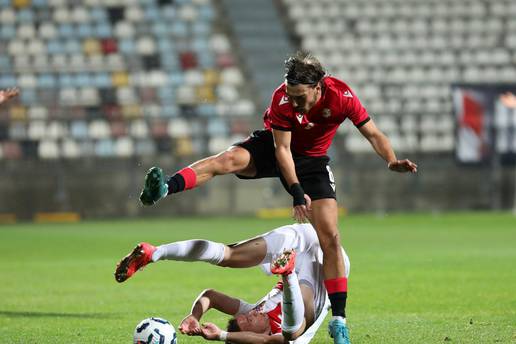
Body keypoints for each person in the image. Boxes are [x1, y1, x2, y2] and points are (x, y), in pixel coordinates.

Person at [138, 51, 417, 343]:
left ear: (319, 87)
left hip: (312, 161)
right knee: (229, 159)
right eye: (291, 95)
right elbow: (282, 151)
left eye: (300, 97)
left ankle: (339, 320)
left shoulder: (341, 95)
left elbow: (373, 133)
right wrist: (297, 192)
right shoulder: (282, 99)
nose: (294, 103)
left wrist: (390, 159)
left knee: (331, 237)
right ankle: (166, 187)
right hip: (276, 148)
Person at [114, 223, 351, 343]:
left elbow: (211, 296)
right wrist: (222, 337)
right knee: (292, 333)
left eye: (245, 317)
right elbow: (268, 341)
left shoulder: (254, 311)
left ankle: (155, 253)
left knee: (228, 255)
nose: (250, 314)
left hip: (300, 241)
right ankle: (287, 274)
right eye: (249, 321)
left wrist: (194, 315)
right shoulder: (273, 335)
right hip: (331, 265)